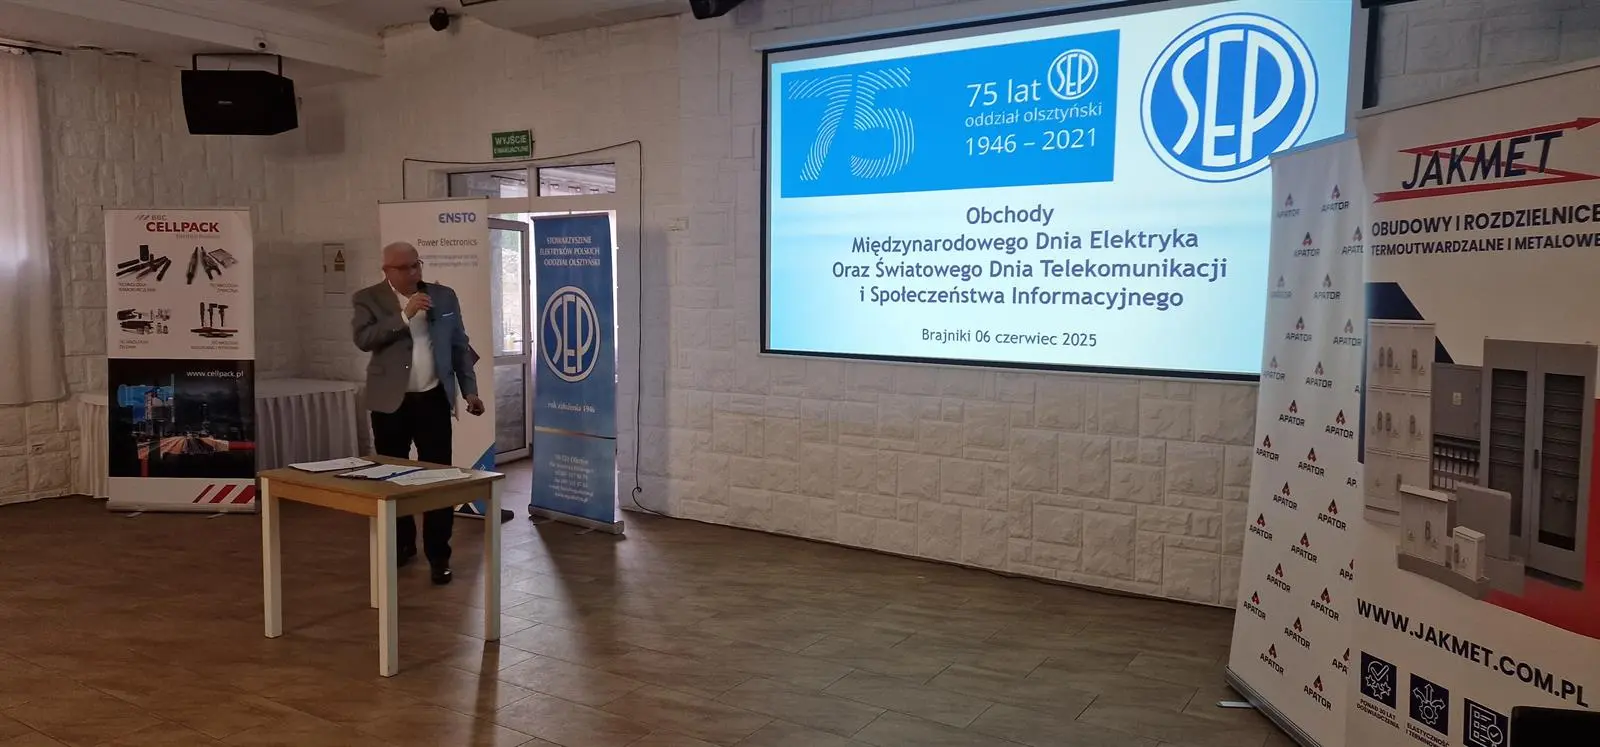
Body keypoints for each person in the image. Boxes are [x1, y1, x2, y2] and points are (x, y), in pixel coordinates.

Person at [351, 242, 485, 585]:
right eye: (404, 268)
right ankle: (401, 544)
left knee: (438, 479)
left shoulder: (444, 296)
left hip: (433, 399)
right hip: (389, 403)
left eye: (417, 265)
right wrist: (403, 315)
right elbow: (364, 339)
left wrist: (469, 390)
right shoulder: (368, 298)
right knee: (392, 478)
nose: (413, 272)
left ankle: (439, 555)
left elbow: (459, 345)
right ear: (387, 270)